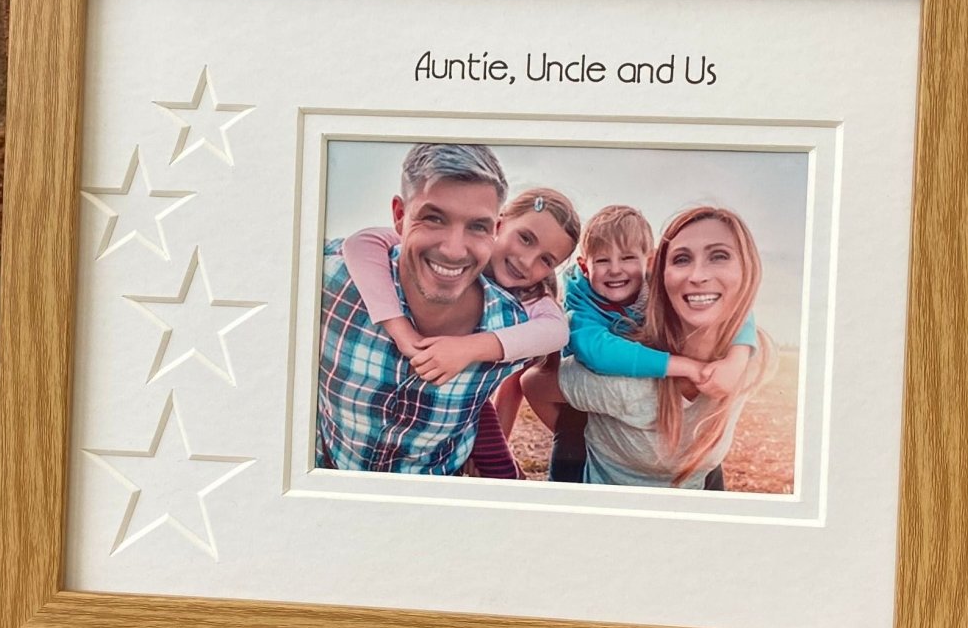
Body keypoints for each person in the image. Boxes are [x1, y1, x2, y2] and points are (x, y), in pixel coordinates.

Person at [524, 206, 775, 489]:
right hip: (592, 384)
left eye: (719, 256)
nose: (698, 276)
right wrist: (684, 367)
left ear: (651, 263)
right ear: (585, 266)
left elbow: (737, 307)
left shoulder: (757, 358)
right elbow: (595, 353)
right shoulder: (584, 315)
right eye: (682, 259)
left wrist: (738, 356)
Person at [318, 142, 528, 475]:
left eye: (477, 226)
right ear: (400, 217)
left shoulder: (514, 325)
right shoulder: (327, 284)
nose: (454, 250)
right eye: (433, 219)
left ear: (496, 231)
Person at [342, 187, 580, 477]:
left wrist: (466, 349)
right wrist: (401, 330)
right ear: (499, 224)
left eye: (546, 260)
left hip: (473, 406)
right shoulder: (456, 248)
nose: (527, 261)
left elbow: (556, 332)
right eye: (525, 239)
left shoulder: (531, 297)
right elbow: (362, 242)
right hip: (402, 396)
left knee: (502, 473)